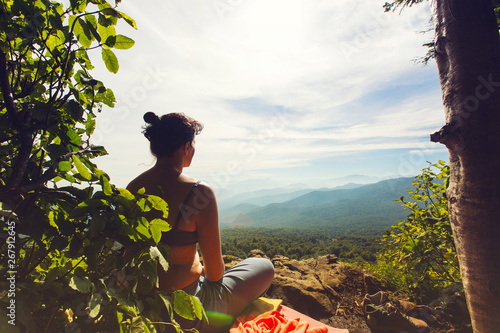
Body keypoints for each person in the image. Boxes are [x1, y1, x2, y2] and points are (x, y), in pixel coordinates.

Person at [127, 112, 275, 332]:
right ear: (186, 147)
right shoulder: (198, 193)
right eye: (193, 145)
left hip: (142, 307)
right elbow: (215, 274)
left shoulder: (132, 189)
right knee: (263, 266)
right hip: (188, 312)